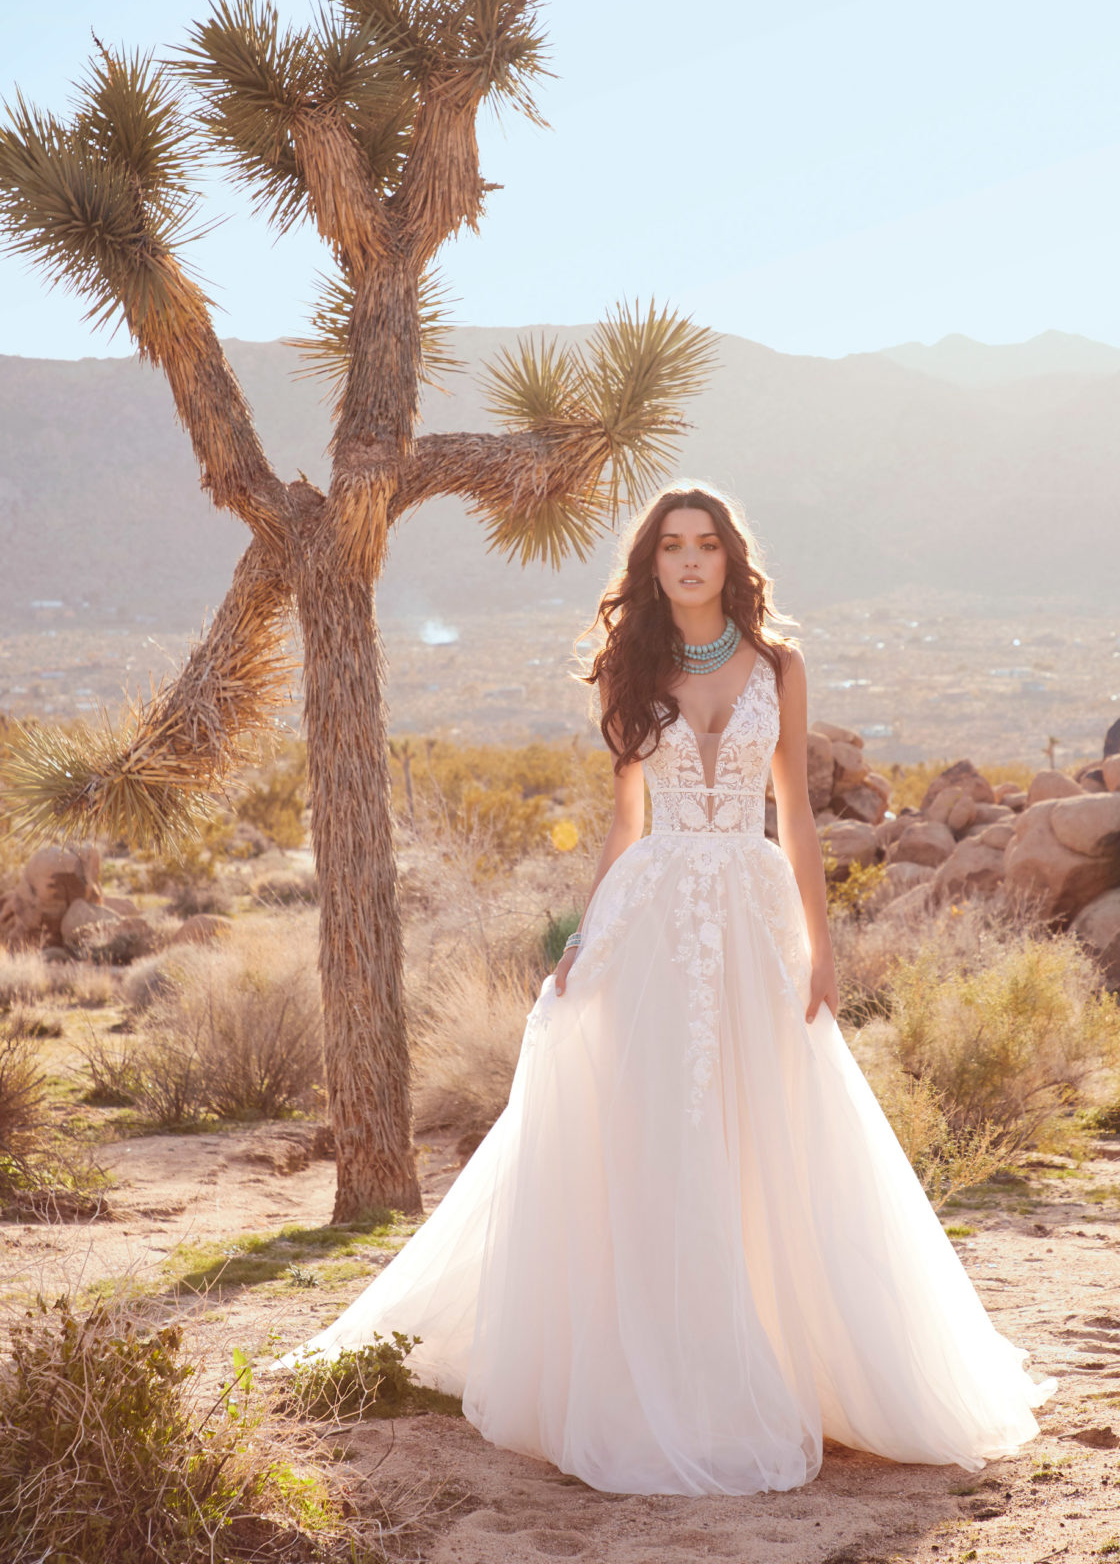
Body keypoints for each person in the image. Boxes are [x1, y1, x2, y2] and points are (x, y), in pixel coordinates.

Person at [268, 479, 1056, 1496]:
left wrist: (824, 947)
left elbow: (797, 817)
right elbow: (624, 825)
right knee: (653, 1132)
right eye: (671, 547)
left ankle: (773, 1354)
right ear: (651, 566)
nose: (689, 561)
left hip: (753, 915)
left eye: (706, 545)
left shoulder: (779, 665)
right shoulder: (626, 669)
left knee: (767, 1128)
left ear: (732, 559)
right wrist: (583, 936)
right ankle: (661, 1368)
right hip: (652, 918)